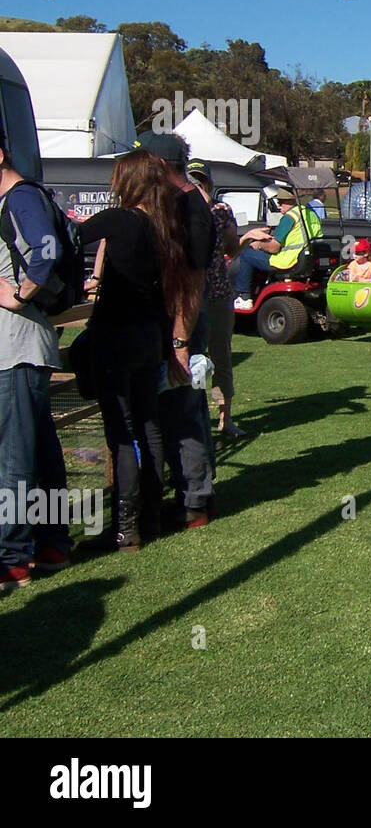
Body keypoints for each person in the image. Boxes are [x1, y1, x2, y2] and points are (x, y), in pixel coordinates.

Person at [74, 150, 193, 550]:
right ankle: (151, 517)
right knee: (149, 425)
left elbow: (69, 238)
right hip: (149, 336)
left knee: (121, 432)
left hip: (116, 335)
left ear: (128, 182)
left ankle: (126, 526)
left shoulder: (120, 219)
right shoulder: (164, 228)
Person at [0, 139, 75, 587]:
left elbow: (46, 253)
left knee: (13, 456)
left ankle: (11, 556)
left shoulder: (20, 197)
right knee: (40, 450)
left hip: (16, 348)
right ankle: (51, 544)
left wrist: (18, 295)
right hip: (22, 347)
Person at [137, 132, 218, 530]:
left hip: (181, 325)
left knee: (182, 411)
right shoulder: (179, 205)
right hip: (173, 325)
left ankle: (194, 503)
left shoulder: (192, 211)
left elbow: (193, 284)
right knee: (181, 411)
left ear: (162, 165)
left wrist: (180, 342)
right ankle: (192, 496)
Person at [186, 160, 245, 439]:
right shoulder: (180, 210)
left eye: (202, 181)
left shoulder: (220, 210)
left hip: (218, 293)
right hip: (192, 296)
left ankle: (226, 418)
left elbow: (232, 248)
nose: (199, 187)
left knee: (221, 356)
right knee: (191, 357)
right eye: (194, 181)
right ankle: (194, 416)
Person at [232, 186, 323, 308]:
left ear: (290, 201)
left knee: (246, 255)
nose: (279, 204)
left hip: (287, 260)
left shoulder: (289, 217)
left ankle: (244, 297)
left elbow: (274, 248)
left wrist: (258, 244)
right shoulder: (309, 213)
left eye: (281, 201)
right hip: (304, 258)